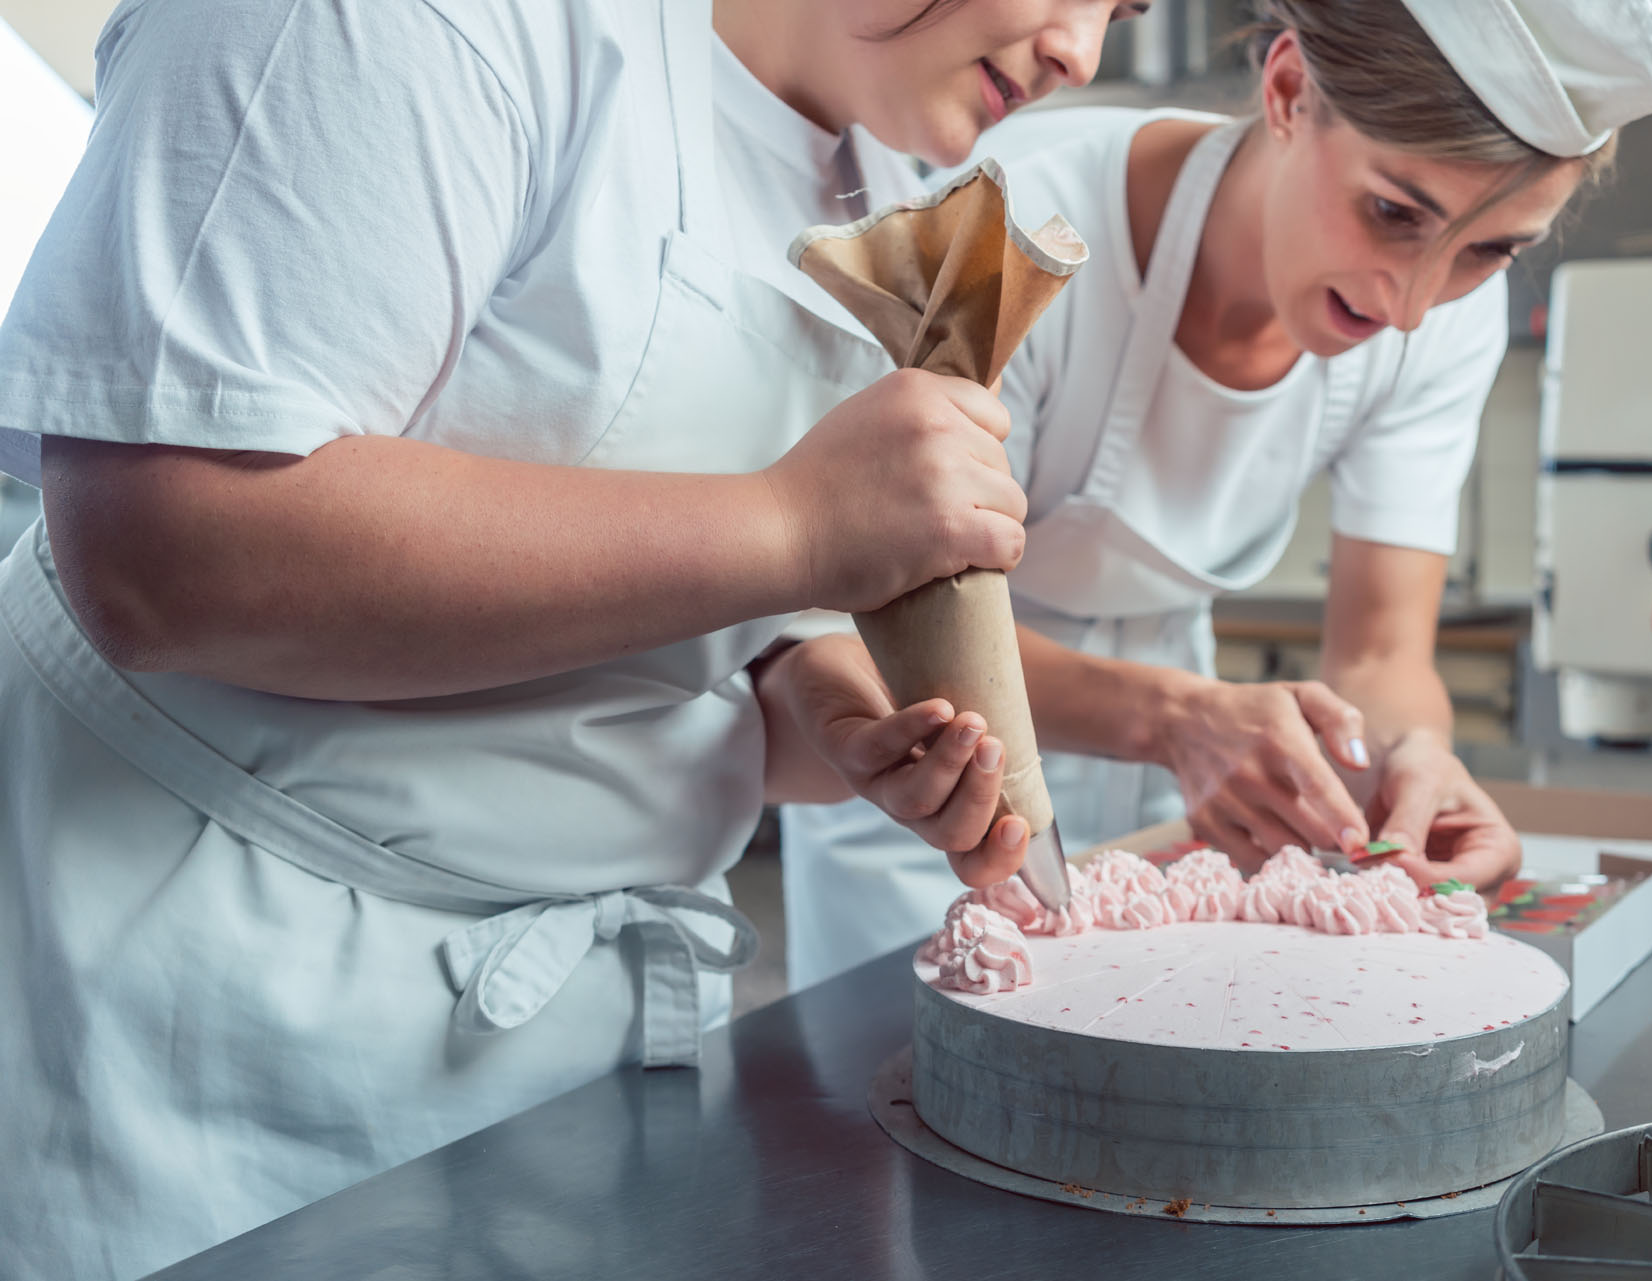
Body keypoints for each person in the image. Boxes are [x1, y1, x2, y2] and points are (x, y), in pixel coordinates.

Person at [0, 0, 1145, 1275]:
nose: (1080, 52)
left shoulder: (880, 170)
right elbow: (166, 553)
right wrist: (789, 528)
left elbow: (685, 624)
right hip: (217, 1015)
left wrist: (827, 709)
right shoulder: (406, 25)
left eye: (1128, 10)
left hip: (587, 1063)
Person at [783, 0, 1652, 989]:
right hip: (931, 792)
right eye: (1394, 212)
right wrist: (1175, 720)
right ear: (1287, 92)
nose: (1409, 306)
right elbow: (900, 607)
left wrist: (1409, 761)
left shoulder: (1446, 326)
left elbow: (1383, 650)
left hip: (1174, 811)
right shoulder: (1013, 233)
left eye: (1489, 251)